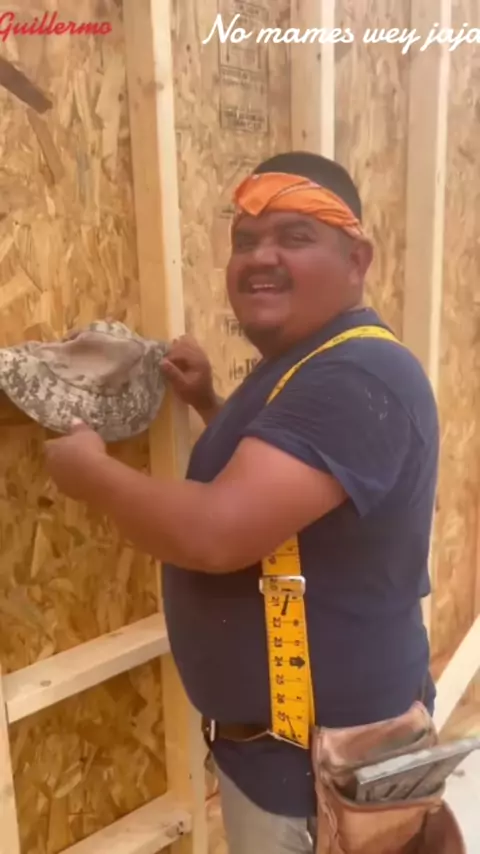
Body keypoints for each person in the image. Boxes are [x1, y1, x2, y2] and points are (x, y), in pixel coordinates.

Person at [44, 151, 439, 854]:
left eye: (295, 237)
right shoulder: (306, 365)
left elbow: (217, 534)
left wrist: (90, 473)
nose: (261, 257)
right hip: (291, 759)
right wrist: (209, 403)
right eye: (246, 240)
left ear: (357, 260)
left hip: (324, 777)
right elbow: (294, 477)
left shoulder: (357, 374)